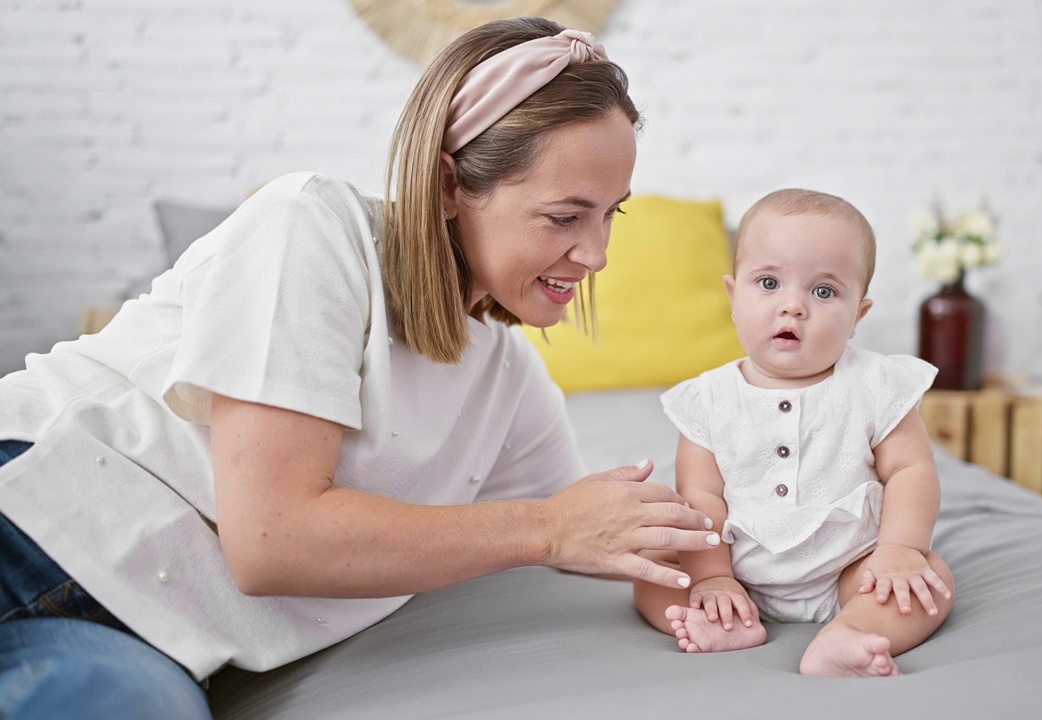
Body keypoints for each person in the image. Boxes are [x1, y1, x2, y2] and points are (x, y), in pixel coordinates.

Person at [0, 17, 721, 719]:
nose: (596, 255)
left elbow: (600, 531)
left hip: (147, 636)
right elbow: (271, 540)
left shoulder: (507, 381)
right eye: (565, 217)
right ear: (447, 185)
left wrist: (741, 566)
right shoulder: (312, 227)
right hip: (31, 532)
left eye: (610, 215)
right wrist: (548, 528)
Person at [632, 189, 956, 677]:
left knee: (930, 579)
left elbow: (911, 470)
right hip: (737, 565)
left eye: (823, 292)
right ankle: (724, 622)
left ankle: (849, 634)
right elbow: (701, 496)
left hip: (850, 564)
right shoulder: (707, 400)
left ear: (857, 317)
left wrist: (899, 549)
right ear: (732, 296)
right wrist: (714, 577)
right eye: (767, 283)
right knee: (654, 569)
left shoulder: (875, 384)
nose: (793, 307)